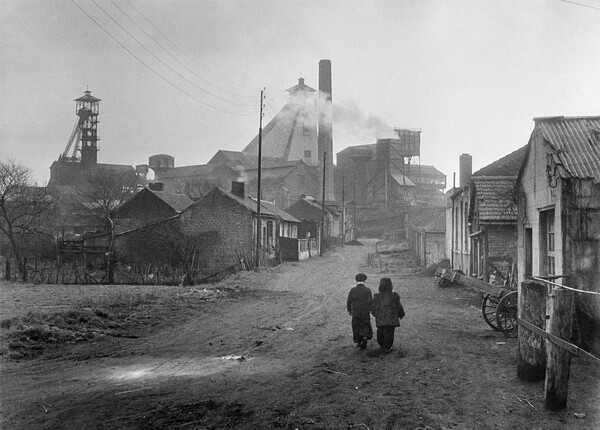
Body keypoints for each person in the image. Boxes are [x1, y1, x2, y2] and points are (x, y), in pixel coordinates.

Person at [371, 277, 405, 352]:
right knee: (389, 331)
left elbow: (373, 307)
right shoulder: (394, 296)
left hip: (380, 318)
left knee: (380, 330)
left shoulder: (377, 296)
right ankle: (388, 346)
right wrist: (401, 314)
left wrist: (375, 314)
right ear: (391, 286)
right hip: (391, 318)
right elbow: (398, 306)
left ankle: (381, 344)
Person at [346, 272, 373, 349]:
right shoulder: (367, 290)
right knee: (365, 323)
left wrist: (349, 310)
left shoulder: (353, 290)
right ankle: (365, 336)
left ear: (356, 281)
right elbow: (370, 301)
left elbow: (349, 301)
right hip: (365, 310)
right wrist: (370, 309)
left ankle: (358, 340)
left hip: (356, 310)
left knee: (356, 325)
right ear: (364, 281)